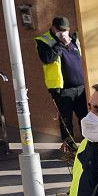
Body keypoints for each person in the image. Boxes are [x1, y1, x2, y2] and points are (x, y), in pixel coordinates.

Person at [35, 16, 85, 151]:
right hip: (62, 89)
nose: (63, 33)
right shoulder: (44, 41)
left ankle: (88, 146)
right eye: (60, 30)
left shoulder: (74, 39)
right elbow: (47, 59)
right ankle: (70, 148)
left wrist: (68, 42)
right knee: (66, 120)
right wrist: (59, 43)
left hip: (81, 88)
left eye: (66, 30)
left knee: (85, 118)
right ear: (53, 28)